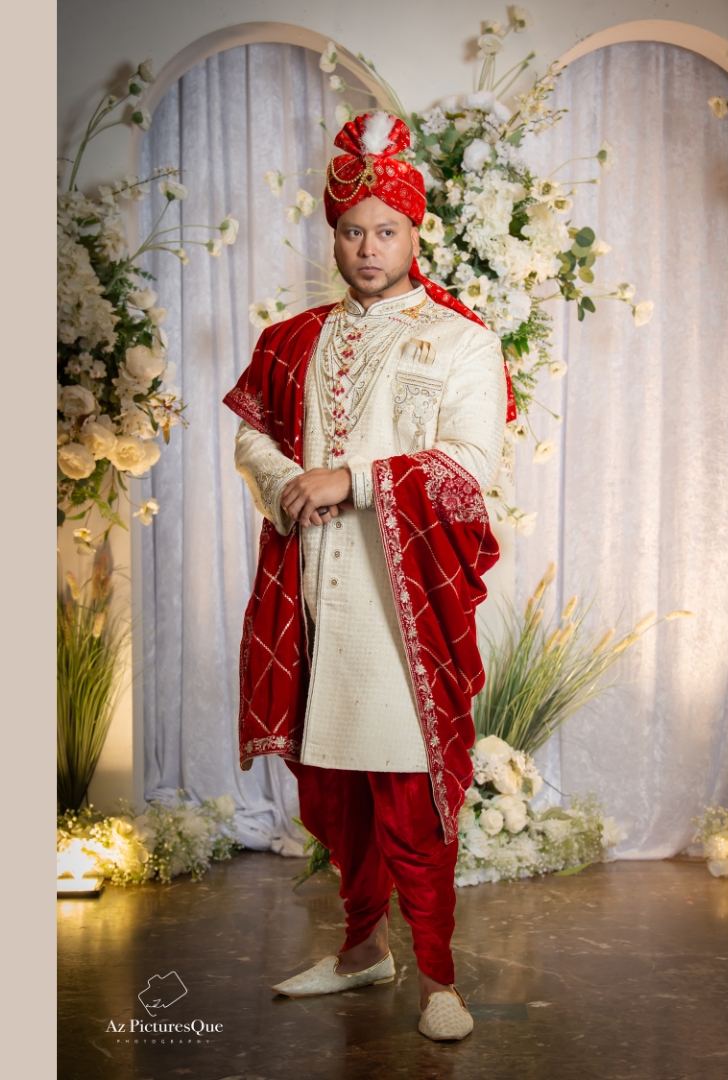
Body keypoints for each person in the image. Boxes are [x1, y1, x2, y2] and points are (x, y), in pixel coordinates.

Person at [225, 111, 514, 1043]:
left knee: (407, 790)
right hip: (311, 597)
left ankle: (438, 978)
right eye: (351, 228)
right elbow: (252, 434)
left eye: (385, 229)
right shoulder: (292, 338)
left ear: (415, 232)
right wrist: (283, 482)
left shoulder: (464, 341)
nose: (366, 246)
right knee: (333, 793)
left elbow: (470, 466)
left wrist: (351, 478)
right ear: (333, 231)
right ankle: (360, 952)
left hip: (403, 609)